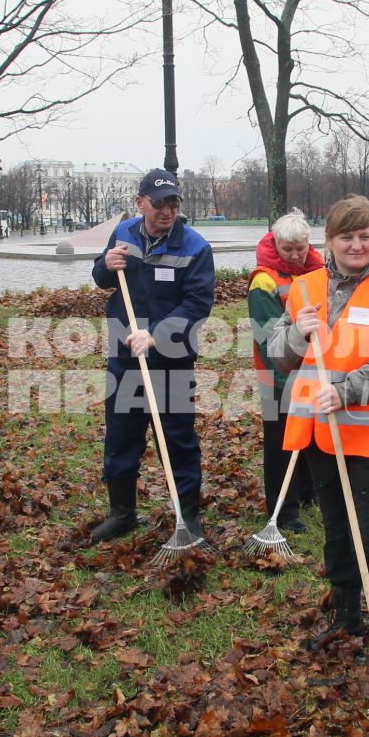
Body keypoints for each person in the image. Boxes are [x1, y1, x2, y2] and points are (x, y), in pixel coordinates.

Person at [269, 195, 369, 671]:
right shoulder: (305, 287)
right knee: (337, 530)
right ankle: (347, 616)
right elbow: (280, 354)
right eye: (347, 237)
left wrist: (347, 390)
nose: (357, 244)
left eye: (365, 236)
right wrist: (298, 331)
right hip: (320, 433)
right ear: (329, 241)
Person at [89, 169, 217, 542]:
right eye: (159, 202)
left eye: (173, 203)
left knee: (176, 437)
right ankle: (122, 512)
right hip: (124, 354)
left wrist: (157, 335)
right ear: (141, 202)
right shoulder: (124, 232)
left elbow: (198, 303)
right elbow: (103, 278)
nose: (167, 210)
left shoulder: (194, 247)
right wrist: (104, 266)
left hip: (172, 357)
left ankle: (188, 516)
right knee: (121, 434)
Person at [249, 212, 324, 532]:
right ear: (275, 244)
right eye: (287, 249)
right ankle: (283, 510)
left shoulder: (320, 273)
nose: (294, 255)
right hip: (275, 376)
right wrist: (285, 381)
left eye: (300, 248)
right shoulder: (264, 280)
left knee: (310, 438)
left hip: (313, 371)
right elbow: (267, 339)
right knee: (281, 445)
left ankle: (307, 494)